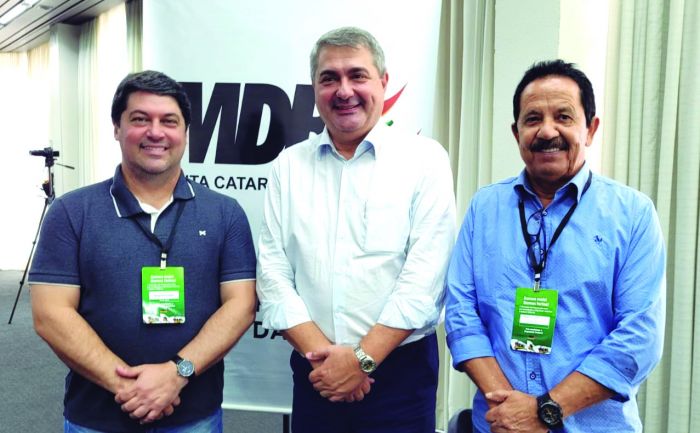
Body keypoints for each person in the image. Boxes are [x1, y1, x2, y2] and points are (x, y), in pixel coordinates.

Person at [29, 70, 257, 432]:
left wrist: (177, 373)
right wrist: (129, 388)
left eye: (169, 121)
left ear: (185, 132)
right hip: (96, 419)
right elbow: (50, 314)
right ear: (117, 128)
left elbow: (241, 305)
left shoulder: (224, 213)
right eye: (139, 119)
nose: (155, 132)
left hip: (194, 418)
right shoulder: (72, 212)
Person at [445, 59, 666, 433]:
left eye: (563, 117)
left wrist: (544, 411)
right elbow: (461, 313)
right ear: (516, 133)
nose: (547, 131)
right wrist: (511, 409)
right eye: (533, 119)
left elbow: (639, 338)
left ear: (590, 129)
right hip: (499, 425)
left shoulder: (633, 214)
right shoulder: (484, 208)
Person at [256, 26, 456, 433]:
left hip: (401, 376)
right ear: (315, 89)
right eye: (329, 78)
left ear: (383, 82)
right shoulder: (288, 167)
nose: (344, 90)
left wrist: (361, 360)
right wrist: (329, 363)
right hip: (316, 372)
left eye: (357, 75)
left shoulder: (425, 160)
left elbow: (425, 278)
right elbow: (273, 275)